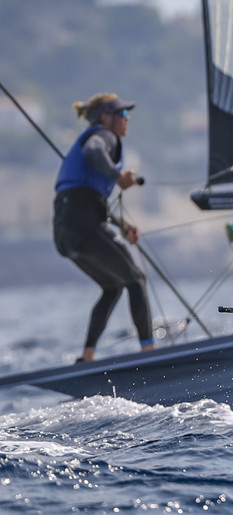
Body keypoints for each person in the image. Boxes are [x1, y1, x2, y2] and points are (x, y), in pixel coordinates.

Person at [52, 93, 154, 363]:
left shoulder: (98, 137)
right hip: (83, 226)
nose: (126, 119)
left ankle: (87, 355)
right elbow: (94, 151)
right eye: (121, 114)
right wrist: (118, 175)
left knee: (113, 286)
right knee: (136, 280)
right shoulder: (104, 136)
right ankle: (150, 353)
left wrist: (122, 224)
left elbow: (86, 202)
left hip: (64, 233)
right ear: (105, 118)